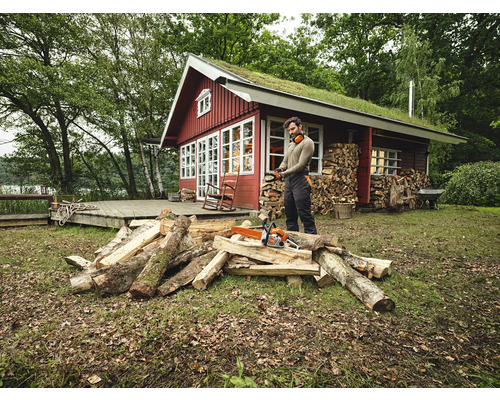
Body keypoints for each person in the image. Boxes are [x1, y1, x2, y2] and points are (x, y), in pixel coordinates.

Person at [275, 116, 318, 234]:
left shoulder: (307, 142)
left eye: (293, 129)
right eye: (289, 130)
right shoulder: (291, 144)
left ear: (300, 126)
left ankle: (312, 239)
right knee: (290, 212)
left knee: (304, 212)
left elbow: (301, 164)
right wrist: (280, 168)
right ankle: (293, 238)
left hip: (301, 179)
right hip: (289, 181)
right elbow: (286, 161)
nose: (291, 132)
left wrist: (283, 173)